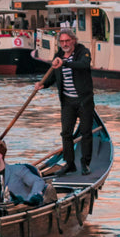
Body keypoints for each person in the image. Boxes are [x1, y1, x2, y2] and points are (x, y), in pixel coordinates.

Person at [34, 28, 94, 175]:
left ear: (73, 40)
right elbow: (54, 75)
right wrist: (43, 84)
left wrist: (64, 63)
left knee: (86, 132)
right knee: (66, 133)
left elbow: (84, 65)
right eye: (62, 41)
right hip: (67, 102)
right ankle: (70, 163)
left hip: (84, 101)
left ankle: (85, 163)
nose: (65, 44)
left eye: (67, 40)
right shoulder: (58, 56)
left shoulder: (83, 52)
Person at [0, 141, 48, 206]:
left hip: (20, 208)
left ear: (0, 156)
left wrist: (30, 199)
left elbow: (38, 182)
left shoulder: (18, 169)